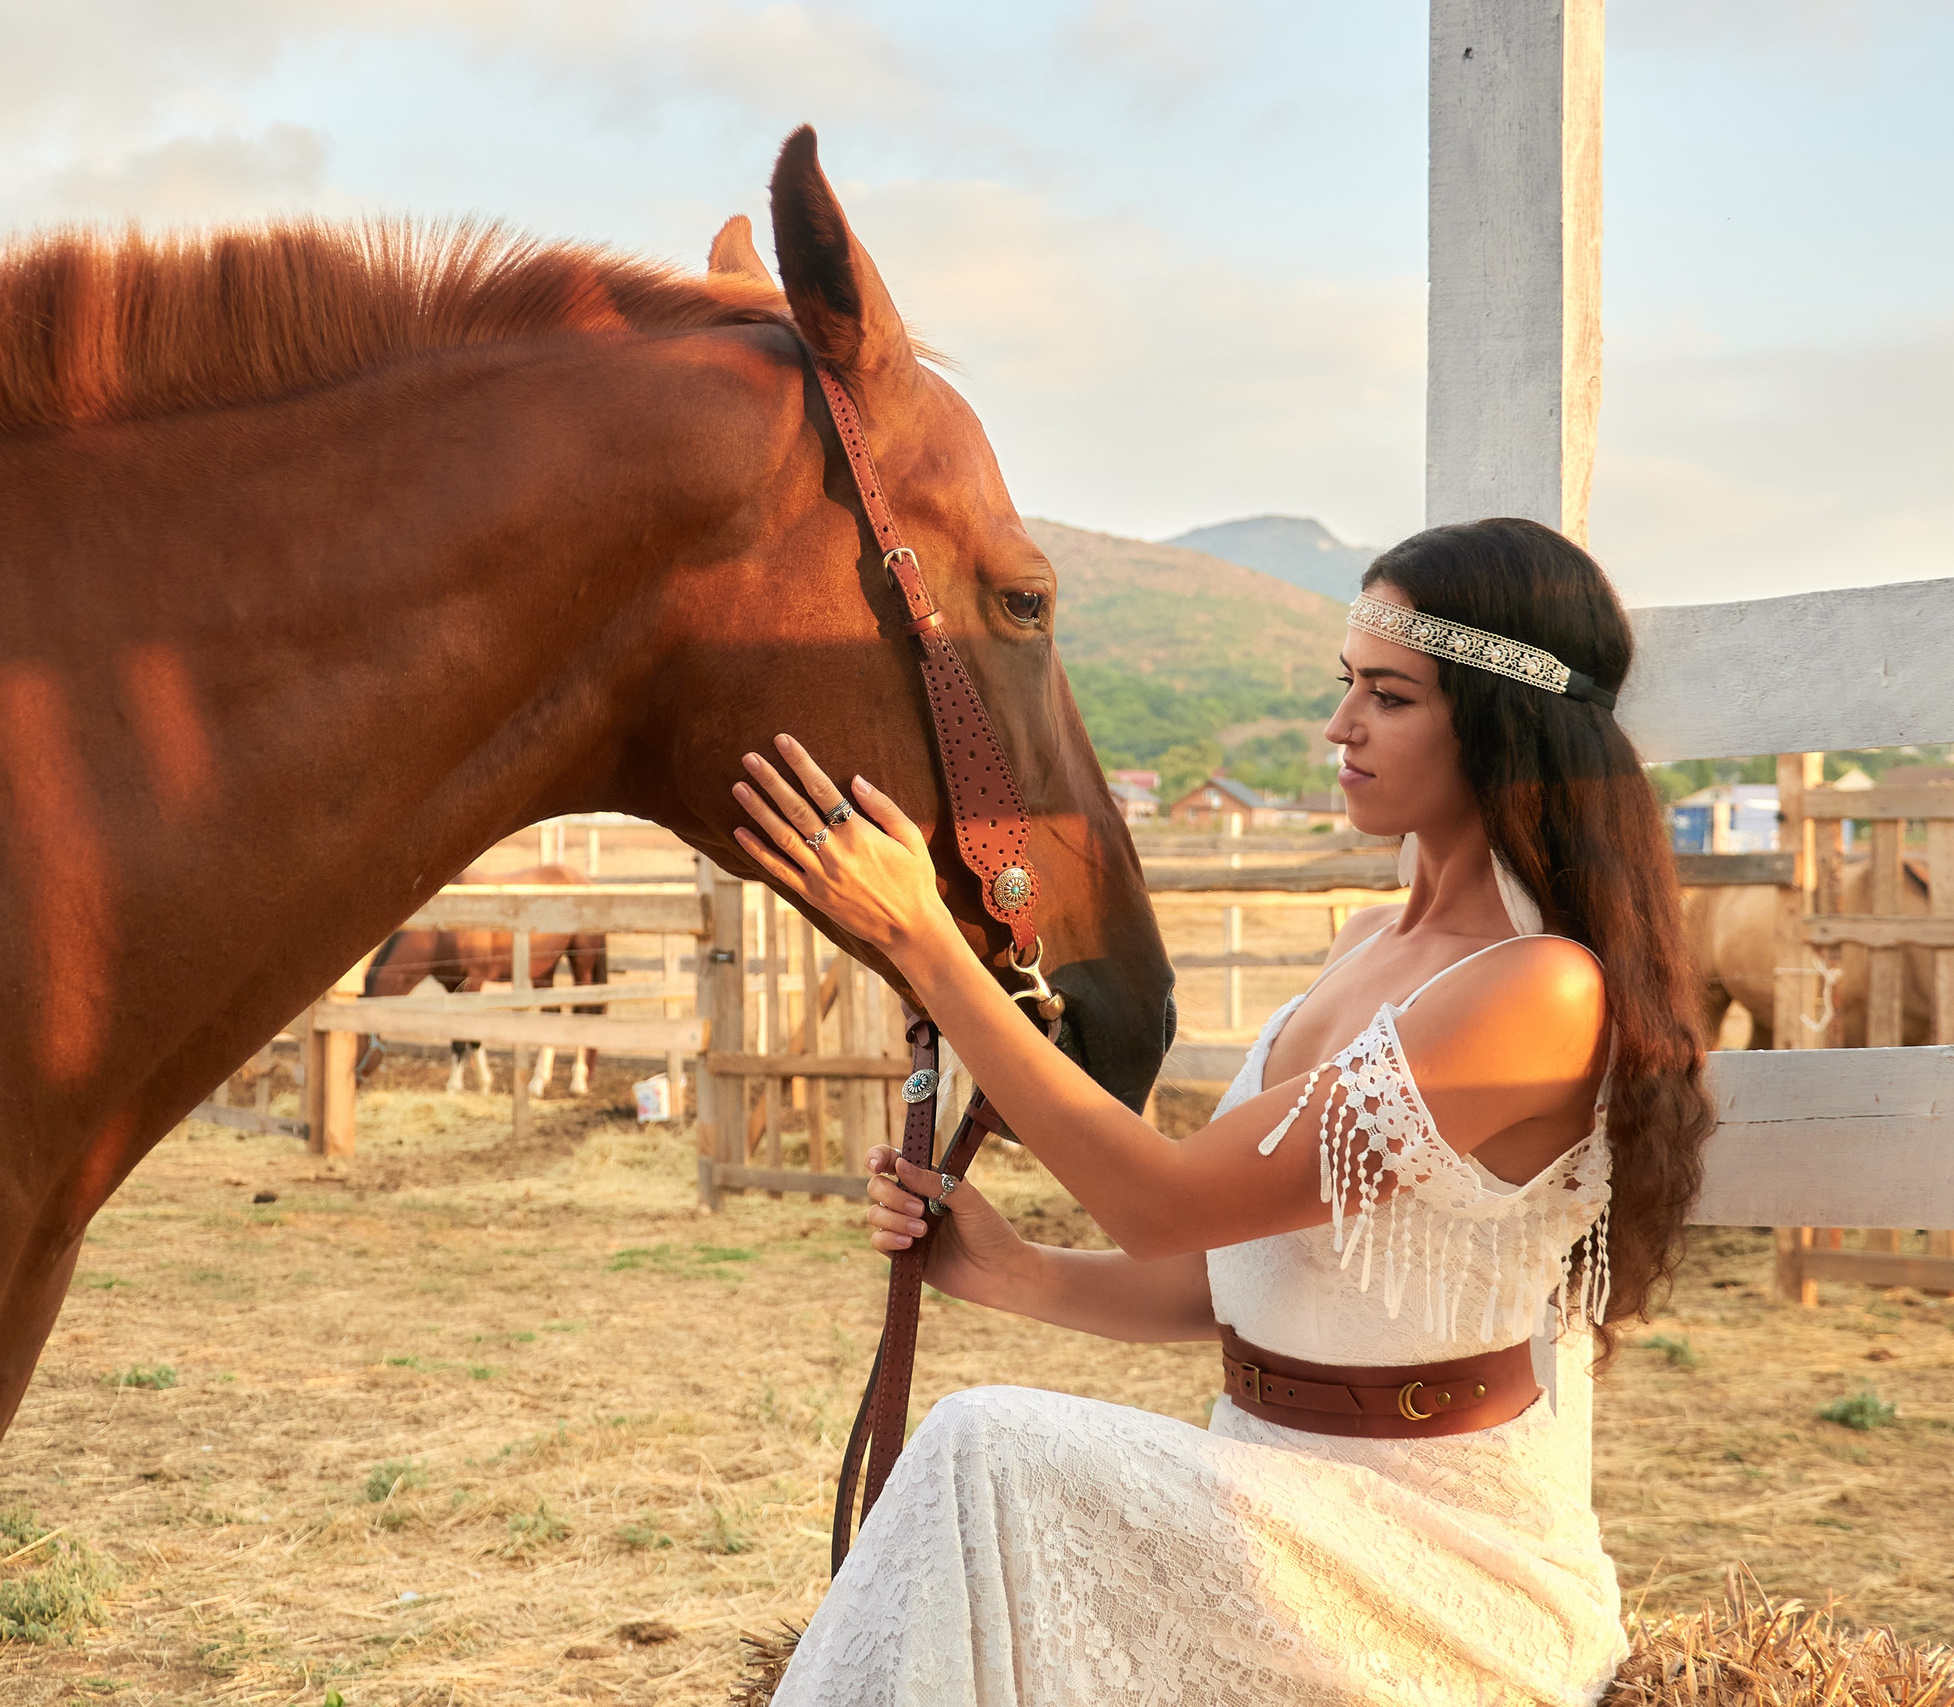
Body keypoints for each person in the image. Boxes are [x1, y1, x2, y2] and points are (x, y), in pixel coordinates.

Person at [728, 518, 1715, 1707]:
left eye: (1390, 696)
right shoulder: (1365, 948)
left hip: (1443, 1561)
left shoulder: (1536, 990)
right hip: (1268, 1493)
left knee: (985, 1449)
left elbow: (1165, 1205)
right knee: (985, 1490)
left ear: (1504, 728)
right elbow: (1239, 1275)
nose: (1340, 726)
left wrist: (925, 946)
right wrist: (1013, 1270)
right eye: (1346, 683)